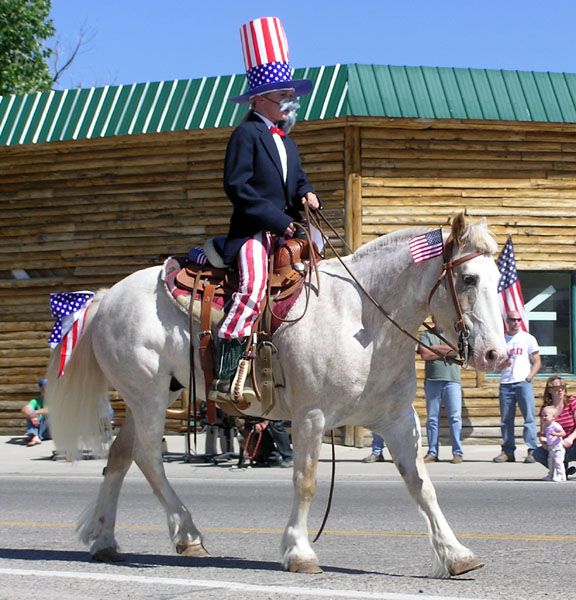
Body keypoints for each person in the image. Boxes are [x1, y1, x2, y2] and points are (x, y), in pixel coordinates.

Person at [211, 16, 320, 395]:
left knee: (322, 268)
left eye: (290, 96)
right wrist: (278, 221)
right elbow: (236, 186)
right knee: (254, 285)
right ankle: (225, 368)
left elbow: (295, 179)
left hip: (286, 227)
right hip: (253, 230)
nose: (288, 104)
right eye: (282, 97)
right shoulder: (245, 134)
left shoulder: (287, 141)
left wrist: (306, 192)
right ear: (260, 99)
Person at [493, 310, 541, 464]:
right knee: (506, 420)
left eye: (517, 319)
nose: (515, 322)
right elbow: (494, 364)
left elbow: (537, 361)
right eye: (512, 319)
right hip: (506, 383)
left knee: (529, 418)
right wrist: (501, 365)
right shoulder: (501, 339)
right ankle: (508, 451)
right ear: (507, 321)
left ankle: (532, 450)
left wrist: (528, 378)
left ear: (521, 321)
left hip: (522, 382)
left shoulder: (528, 338)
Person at [417, 331, 464, 464]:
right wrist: (446, 350)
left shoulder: (453, 334)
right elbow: (424, 354)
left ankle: (457, 452)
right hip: (432, 380)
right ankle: (432, 452)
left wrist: (434, 347)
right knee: (432, 419)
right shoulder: (426, 335)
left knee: (455, 418)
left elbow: (456, 351)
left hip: (452, 381)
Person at [533, 375, 576, 478]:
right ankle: (561, 469)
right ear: (550, 391)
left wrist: (570, 438)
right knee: (537, 453)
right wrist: (544, 443)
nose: (560, 390)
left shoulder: (571, 402)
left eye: (563, 387)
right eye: (557, 388)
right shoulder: (546, 409)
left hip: (573, 444)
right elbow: (543, 433)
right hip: (556, 447)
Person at [539, 405, 566, 481]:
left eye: (546, 416)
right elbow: (547, 436)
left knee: (558, 462)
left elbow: (563, 433)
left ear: (553, 417)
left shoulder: (555, 425)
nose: (544, 417)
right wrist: (544, 439)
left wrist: (556, 434)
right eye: (542, 416)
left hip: (558, 447)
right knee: (551, 463)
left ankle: (561, 476)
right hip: (551, 448)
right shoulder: (546, 426)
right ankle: (551, 475)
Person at [22, 378, 49, 446]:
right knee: (30, 413)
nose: (46, 390)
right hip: (42, 431)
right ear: (40, 389)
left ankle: (34, 436)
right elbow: (25, 408)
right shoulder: (36, 401)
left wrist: (36, 412)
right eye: (44, 388)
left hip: (53, 431)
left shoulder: (55, 399)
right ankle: (35, 437)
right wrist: (32, 416)